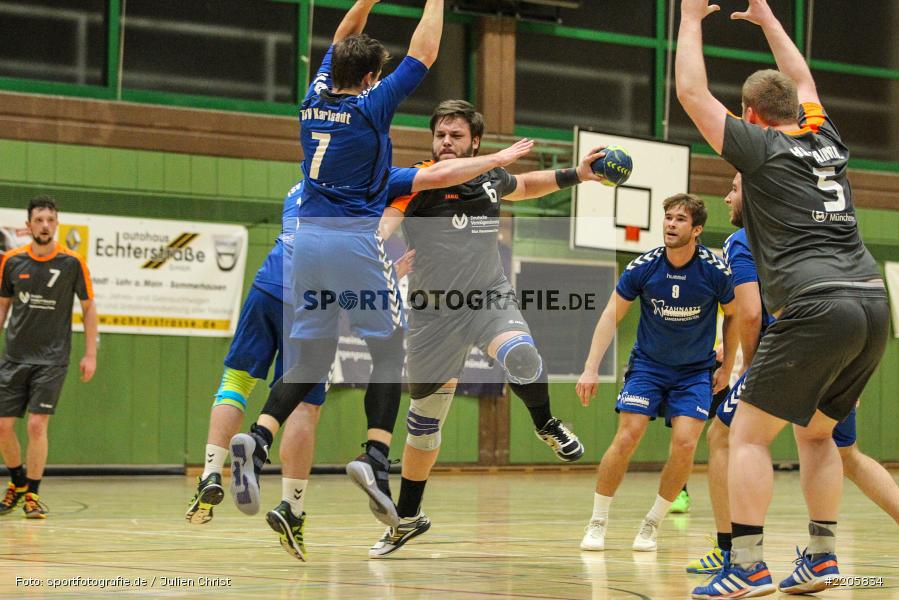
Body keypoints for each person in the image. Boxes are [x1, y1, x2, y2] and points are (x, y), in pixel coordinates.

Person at [676, 1, 889, 595]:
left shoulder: (759, 149)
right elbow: (804, 79)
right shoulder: (824, 134)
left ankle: (745, 566)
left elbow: (693, 93)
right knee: (817, 434)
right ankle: (822, 557)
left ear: (749, 114)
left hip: (816, 304)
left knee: (745, 436)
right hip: (873, 301)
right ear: (794, 110)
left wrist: (691, 19)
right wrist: (770, 20)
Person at [228, 0, 445, 531]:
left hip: (306, 244)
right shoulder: (371, 107)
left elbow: (344, 34)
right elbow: (425, 51)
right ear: (371, 77)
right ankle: (374, 455)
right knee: (390, 349)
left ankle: (257, 440)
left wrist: (365, 3)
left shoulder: (313, 96)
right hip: (352, 241)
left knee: (313, 355)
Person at [364, 99, 612, 558]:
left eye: (456, 136)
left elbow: (525, 184)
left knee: (522, 356)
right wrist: (383, 260)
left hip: (487, 299)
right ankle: (408, 517)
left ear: (474, 142)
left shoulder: (490, 177)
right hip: (432, 316)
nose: (446, 143)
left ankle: (547, 424)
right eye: (440, 135)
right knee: (423, 426)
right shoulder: (417, 180)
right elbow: (384, 226)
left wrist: (577, 174)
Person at [686, 174, 899, 575]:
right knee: (842, 451)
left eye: (733, 188)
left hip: (788, 349)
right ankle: (821, 557)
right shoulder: (811, 231)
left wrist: (749, 370)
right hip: (853, 333)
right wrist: (843, 371)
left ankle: (733, 552)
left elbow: (750, 314)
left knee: (725, 435)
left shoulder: (744, 239)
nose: (726, 196)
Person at [576, 194, 738, 553]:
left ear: (696, 229)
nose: (670, 224)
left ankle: (652, 524)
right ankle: (598, 521)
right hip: (648, 366)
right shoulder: (643, 266)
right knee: (628, 436)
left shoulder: (715, 269)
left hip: (695, 371)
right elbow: (610, 316)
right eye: (667, 217)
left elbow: (736, 315)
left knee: (684, 443)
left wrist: (727, 366)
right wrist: (590, 367)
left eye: (680, 219)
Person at [0, 196, 97, 519]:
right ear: (28, 226)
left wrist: (90, 353)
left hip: (52, 359)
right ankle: (17, 483)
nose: (45, 226)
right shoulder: (12, 261)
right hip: (14, 357)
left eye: (50, 220)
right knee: (3, 426)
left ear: (57, 224)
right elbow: (3, 306)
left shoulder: (72, 263)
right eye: (39, 220)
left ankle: (33, 496)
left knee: (37, 427)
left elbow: (88, 308)